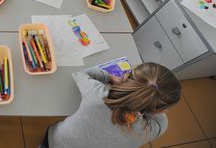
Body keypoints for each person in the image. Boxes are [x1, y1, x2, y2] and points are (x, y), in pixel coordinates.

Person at [44, 62, 182, 148]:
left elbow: (80, 74)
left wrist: (109, 78)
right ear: (159, 109)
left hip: (56, 143)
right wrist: (145, 100)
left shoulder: (97, 96)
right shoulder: (156, 128)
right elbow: (160, 116)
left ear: (126, 78)